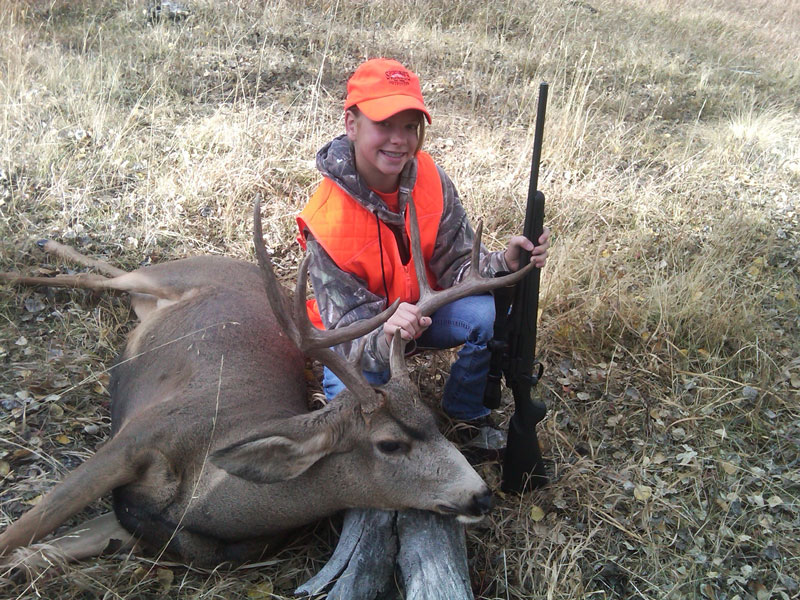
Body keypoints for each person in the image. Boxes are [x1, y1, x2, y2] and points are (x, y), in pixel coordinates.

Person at [296, 58, 550, 436]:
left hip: (423, 313)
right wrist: (385, 335)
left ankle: (464, 411)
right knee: (362, 431)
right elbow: (349, 334)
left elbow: (459, 261)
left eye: (410, 127)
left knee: (485, 314)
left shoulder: (430, 177)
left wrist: (504, 262)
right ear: (352, 124)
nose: (400, 140)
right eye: (384, 124)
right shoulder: (326, 219)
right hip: (357, 341)